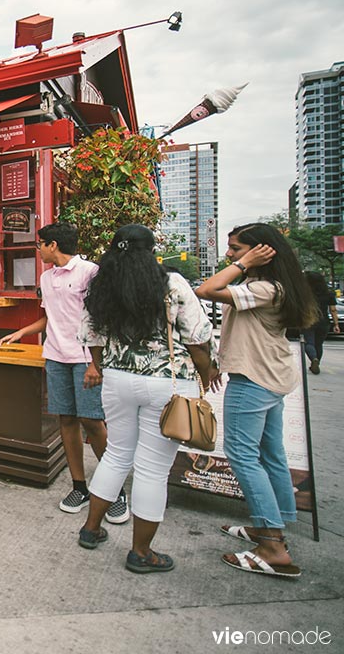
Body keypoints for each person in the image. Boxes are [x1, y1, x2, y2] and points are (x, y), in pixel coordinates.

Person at [77, 225, 216, 574]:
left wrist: (98, 364)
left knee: (117, 454)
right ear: (152, 249)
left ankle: (91, 529)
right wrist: (206, 373)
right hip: (166, 384)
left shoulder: (102, 286)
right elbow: (198, 337)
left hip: (118, 379)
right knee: (153, 468)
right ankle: (141, 552)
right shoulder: (171, 283)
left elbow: (90, 335)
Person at [195, 223, 317, 578]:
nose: (230, 254)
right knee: (270, 454)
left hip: (253, 380)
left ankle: (272, 545)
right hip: (272, 377)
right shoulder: (269, 287)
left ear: (260, 252)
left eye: (236, 248)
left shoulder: (263, 288)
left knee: (243, 456)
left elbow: (207, 289)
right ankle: (276, 520)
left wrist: (243, 262)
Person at [0, 222, 127, 523]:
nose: (38, 248)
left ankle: (116, 490)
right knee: (66, 420)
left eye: (40, 243)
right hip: (55, 357)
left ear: (53, 245)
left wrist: (97, 363)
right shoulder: (46, 276)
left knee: (93, 422)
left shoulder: (90, 272)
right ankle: (79, 487)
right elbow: (49, 319)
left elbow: (101, 319)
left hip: (85, 359)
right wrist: (21, 332)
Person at [301, 271, 338, 374]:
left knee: (309, 343)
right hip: (324, 321)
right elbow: (333, 310)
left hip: (309, 320)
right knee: (319, 344)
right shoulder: (329, 293)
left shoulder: (305, 293)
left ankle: (313, 359)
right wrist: (336, 324)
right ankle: (317, 362)